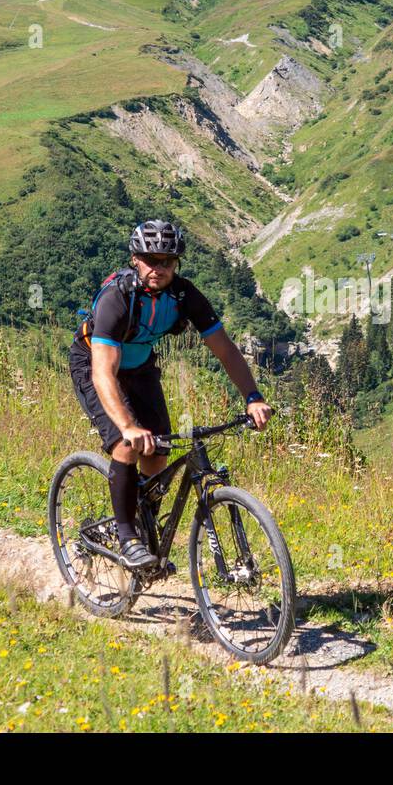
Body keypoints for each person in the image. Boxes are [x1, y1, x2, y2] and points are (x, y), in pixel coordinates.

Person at [69, 219, 274, 569]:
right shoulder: (117, 299)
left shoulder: (183, 295)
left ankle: (144, 523)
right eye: (150, 259)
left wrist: (253, 396)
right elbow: (103, 372)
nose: (158, 268)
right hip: (94, 366)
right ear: (136, 259)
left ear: (176, 263)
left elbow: (225, 350)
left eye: (167, 261)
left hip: (141, 368)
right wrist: (128, 426)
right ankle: (127, 536)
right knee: (126, 443)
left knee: (159, 452)